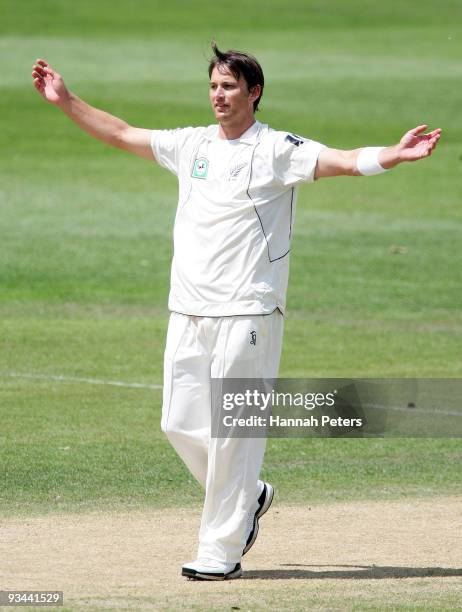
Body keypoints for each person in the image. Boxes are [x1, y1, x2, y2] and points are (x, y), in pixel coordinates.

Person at [32, 43, 441, 581]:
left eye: (229, 87)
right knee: (178, 424)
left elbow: (340, 161)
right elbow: (122, 132)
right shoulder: (191, 144)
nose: (218, 96)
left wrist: (392, 153)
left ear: (254, 93)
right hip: (188, 309)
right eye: (213, 86)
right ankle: (250, 495)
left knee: (234, 433)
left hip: (248, 309)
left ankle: (219, 551)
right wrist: (66, 100)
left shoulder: (277, 149)